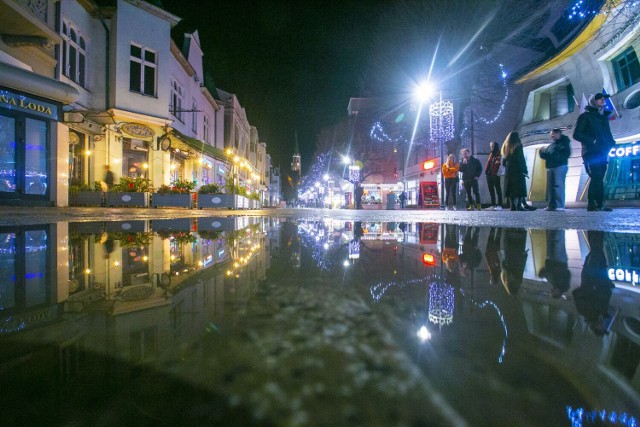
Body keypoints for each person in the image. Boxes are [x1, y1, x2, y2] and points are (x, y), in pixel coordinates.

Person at [573, 93, 616, 211]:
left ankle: (600, 203)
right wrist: (592, 141)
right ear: (593, 101)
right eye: (599, 98)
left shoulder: (603, 117)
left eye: (604, 99)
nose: (603, 100)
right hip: (591, 152)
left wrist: (611, 142)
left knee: (599, 177)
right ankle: (592, 203)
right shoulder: (585, 116)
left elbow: (607, 134)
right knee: (596, 175)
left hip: (602, 151)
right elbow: (577, 134)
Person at [573, 231, 615, 336]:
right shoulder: (603, 314)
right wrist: (609, 286)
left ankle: (593, 226)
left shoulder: (584, 311)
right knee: (598, 249)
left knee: (596, 250)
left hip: (590, 275)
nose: (603, 326)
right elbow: (605, 297)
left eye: (601, 328)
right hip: (601, 276)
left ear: (595, 327)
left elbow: (576, 293)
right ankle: (597, 226)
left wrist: (592, 287)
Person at [539, 128, 571, 211]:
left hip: (559, 166)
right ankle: (551, 205)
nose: (552, 136)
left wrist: (552, 156)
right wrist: (541, 153)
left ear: (558, 133)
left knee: (558, 186)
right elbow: (547, 155)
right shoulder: (551, 145)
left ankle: (559, 205)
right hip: (550, 167)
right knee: (550, 188)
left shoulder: (564, 143)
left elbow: (565, 154)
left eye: (553, 134)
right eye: (551, 134)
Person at [501, 132, 535, 211]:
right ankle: (519, 206)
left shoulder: (505, 146)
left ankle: (512, 205)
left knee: (510, 188)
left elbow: (503, 160)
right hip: (517, 169)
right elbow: (521, 158)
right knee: (520, 188)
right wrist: (525, 170)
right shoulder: (518, 145)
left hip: (509, 170)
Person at [538, 229, 571, 298]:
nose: (551, 290)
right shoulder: (563, 285)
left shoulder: (553, 283)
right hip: (559, 260)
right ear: (558, 293)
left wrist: (543, 274)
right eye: (553, 292)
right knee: (557, 240)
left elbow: (546, 272)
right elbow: (567, 273)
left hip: (551, 260)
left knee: (551, 240)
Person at [484, 141, 504, 210]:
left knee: (498, 189)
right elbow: (489, 163)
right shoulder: (491, 154)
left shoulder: (499, 154)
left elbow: (499, 163)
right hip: (489, 174)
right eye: (490, 146)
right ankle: (493, 204)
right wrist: (486, 172)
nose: (491, 147)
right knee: (491, 190)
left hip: (495, 174)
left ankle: (499, 205)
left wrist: (497, 172)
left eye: (492, 146)